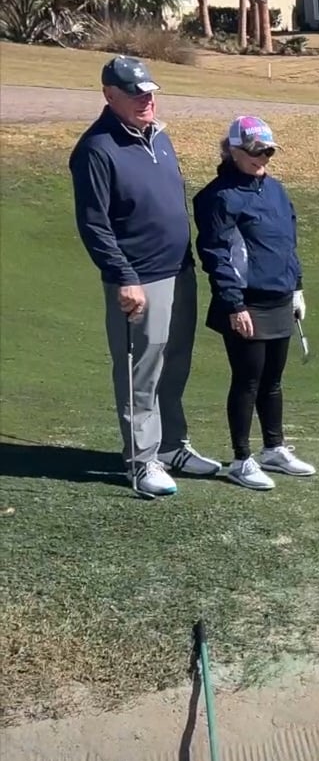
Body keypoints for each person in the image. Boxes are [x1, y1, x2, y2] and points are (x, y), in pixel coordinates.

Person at [70, 55, 222, 498]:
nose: (146, 101)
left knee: (175, 364)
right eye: (136, 95)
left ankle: (173, 446)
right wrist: (124, 277)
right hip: (139, 278)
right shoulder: (96, 149)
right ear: (109, 96)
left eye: (150, 93)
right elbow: (94, 224)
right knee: (140, 370)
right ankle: (142, 461)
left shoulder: (159, 136)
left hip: (179, 271)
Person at [192, 115, 315, 490]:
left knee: (273, 381)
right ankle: (241, 459)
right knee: (247, 381)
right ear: (233, 151)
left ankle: (273, 449)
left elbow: (286, 243)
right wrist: (234, 304)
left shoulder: (275, 190)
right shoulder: (218, 196)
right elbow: (215, 254)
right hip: (245, 302)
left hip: (279, 297)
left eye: (267, 153)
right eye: (254, 152)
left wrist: (296, 288)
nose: (262, 159)